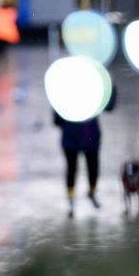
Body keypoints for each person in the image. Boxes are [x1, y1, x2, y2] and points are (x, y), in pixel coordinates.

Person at [54, 88, 116, 218]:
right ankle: (76, 198)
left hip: (83, 134)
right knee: (79, 167)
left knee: (83, 167)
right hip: (81, 133)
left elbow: (109, 105)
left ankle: (83, 195)